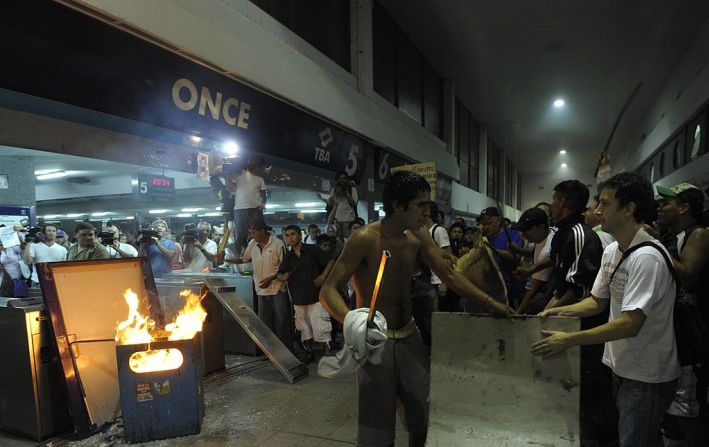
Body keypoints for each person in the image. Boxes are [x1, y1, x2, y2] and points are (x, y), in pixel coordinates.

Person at [320, 170, 513, 447]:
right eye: (421, 205)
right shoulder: (364, 238)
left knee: (421, 416)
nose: (428, 211)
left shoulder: (418, 236)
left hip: (410, 336)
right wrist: (353, 321)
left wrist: (491, 303)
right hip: (375, 343)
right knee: (377, 426)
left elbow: (449, 276)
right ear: (398, 204)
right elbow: (328, 290)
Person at [532, 172, 681, 447]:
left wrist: (568, 339)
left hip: (646, 375)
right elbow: (597, 302)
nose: (597, 211)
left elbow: (630, 324)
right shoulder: (613, 251)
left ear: (629, 209)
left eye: (605, 204)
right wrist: (558, 312)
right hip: (620, 366)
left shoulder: (647, 258)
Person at [546, 179, 615, 445]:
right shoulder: (564, 232)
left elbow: (577, 288)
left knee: (586, 396)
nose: (552, 205)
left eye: (554, 200)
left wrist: (551, 312)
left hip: (584, 327)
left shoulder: (579, 234)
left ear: (562, 201)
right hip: (571, 321)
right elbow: (560, 280)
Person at [656, 182, 709, 445]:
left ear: (684, 207)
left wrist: (653, 245)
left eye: (667, 202)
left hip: (690, 335)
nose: (660, 207)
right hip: (672, 332)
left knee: (688, 407)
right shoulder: (667, 236)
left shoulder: (698, 234)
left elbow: (687, 274)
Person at [228, 218, 292, 351]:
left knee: (282, 322)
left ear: (262, 231)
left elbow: (285, 268)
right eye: (250, 233)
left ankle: (286, 352)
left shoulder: (277, 244)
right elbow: (243, 259)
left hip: (277, 289)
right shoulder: (252, 244)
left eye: (254, 233)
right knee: (265, 324)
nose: (252, 236)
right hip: (261, 290)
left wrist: (271, 279)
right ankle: (269, 352)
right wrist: (225, 259)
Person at [274, 225, 335, 360]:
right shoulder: (288, 256)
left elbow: (330, 261)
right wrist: (282, 277)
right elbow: (280, 273)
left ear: (300, 235)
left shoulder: (312, 250)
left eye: (293, 234)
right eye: (288, 235)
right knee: (303, 326)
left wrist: (322, 277)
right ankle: (309, 352)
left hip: (315, 295)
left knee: (321, 324)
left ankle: (327, 351)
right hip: (298, 296)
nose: (290, 238)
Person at [478, 206, 524, 308]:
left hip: (509, 288)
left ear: (498, 221)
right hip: (489, 289)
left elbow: (516, 257)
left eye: (489, 223)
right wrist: (479, 236)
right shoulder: (484, 238)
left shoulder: (511, 235)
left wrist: (493, 249)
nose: (485, 227)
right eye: (483, 224)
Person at [512, 207, 555, 314]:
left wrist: (517, 313)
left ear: (541, 227)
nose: (523, 235)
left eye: (527, 230)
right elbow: (535, 249)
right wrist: (520, 250)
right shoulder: (550, 232)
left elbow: (533, 290)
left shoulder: (545, 252)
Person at [232, 155, 268, 254]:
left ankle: (258, 251)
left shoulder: (260, 179)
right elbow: (230, 187)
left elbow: (264, 195)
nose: (260, 169)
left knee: (257, 231)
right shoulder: (239, 177)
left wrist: (263, 204)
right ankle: (242, 253)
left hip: (254, 209)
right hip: (240, 208)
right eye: (260, 167)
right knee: (240, 233)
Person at [327, 171, 358, 240]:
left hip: (349, 220)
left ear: (347, 179)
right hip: (336, 221)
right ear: (338, 180)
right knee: (338, 241)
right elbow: (330, 203)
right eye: (340, 179)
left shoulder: (352, 190)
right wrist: (336, 193)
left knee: (348, 240)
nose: (342, 181)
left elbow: (354, 203)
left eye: (344, 178)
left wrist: (347, 193)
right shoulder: (334, 190)